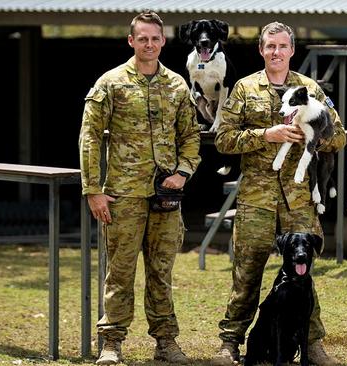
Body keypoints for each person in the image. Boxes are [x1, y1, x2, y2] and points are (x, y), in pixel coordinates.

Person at [211, 22, 346, 366]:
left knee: (304, 273)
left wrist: (313, 136)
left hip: (299, 200)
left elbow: (340, 136)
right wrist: (265, 135)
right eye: (270, 46)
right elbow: (223, 139)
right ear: (261, 50)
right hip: (257, 198)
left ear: (291, 50)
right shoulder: (244, 88)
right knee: (247, 273)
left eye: (282, 46)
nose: (276, 52)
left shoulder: (309, 88)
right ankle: (230, 342)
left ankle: (312, 343)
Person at [78, 10, 201, 365]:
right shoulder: (111, 83)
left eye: (155, 38)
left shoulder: (177, 85)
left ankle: (166, 342)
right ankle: (112, 343)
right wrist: (93, 189)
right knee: (119, 272)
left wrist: (182, 173)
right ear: (131, 41)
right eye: (142, 38)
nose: (149, 44)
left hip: (165, 197)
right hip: (123, 195)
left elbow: (190, 136)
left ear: (163, 41)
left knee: (161, 273)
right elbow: (90, 138)